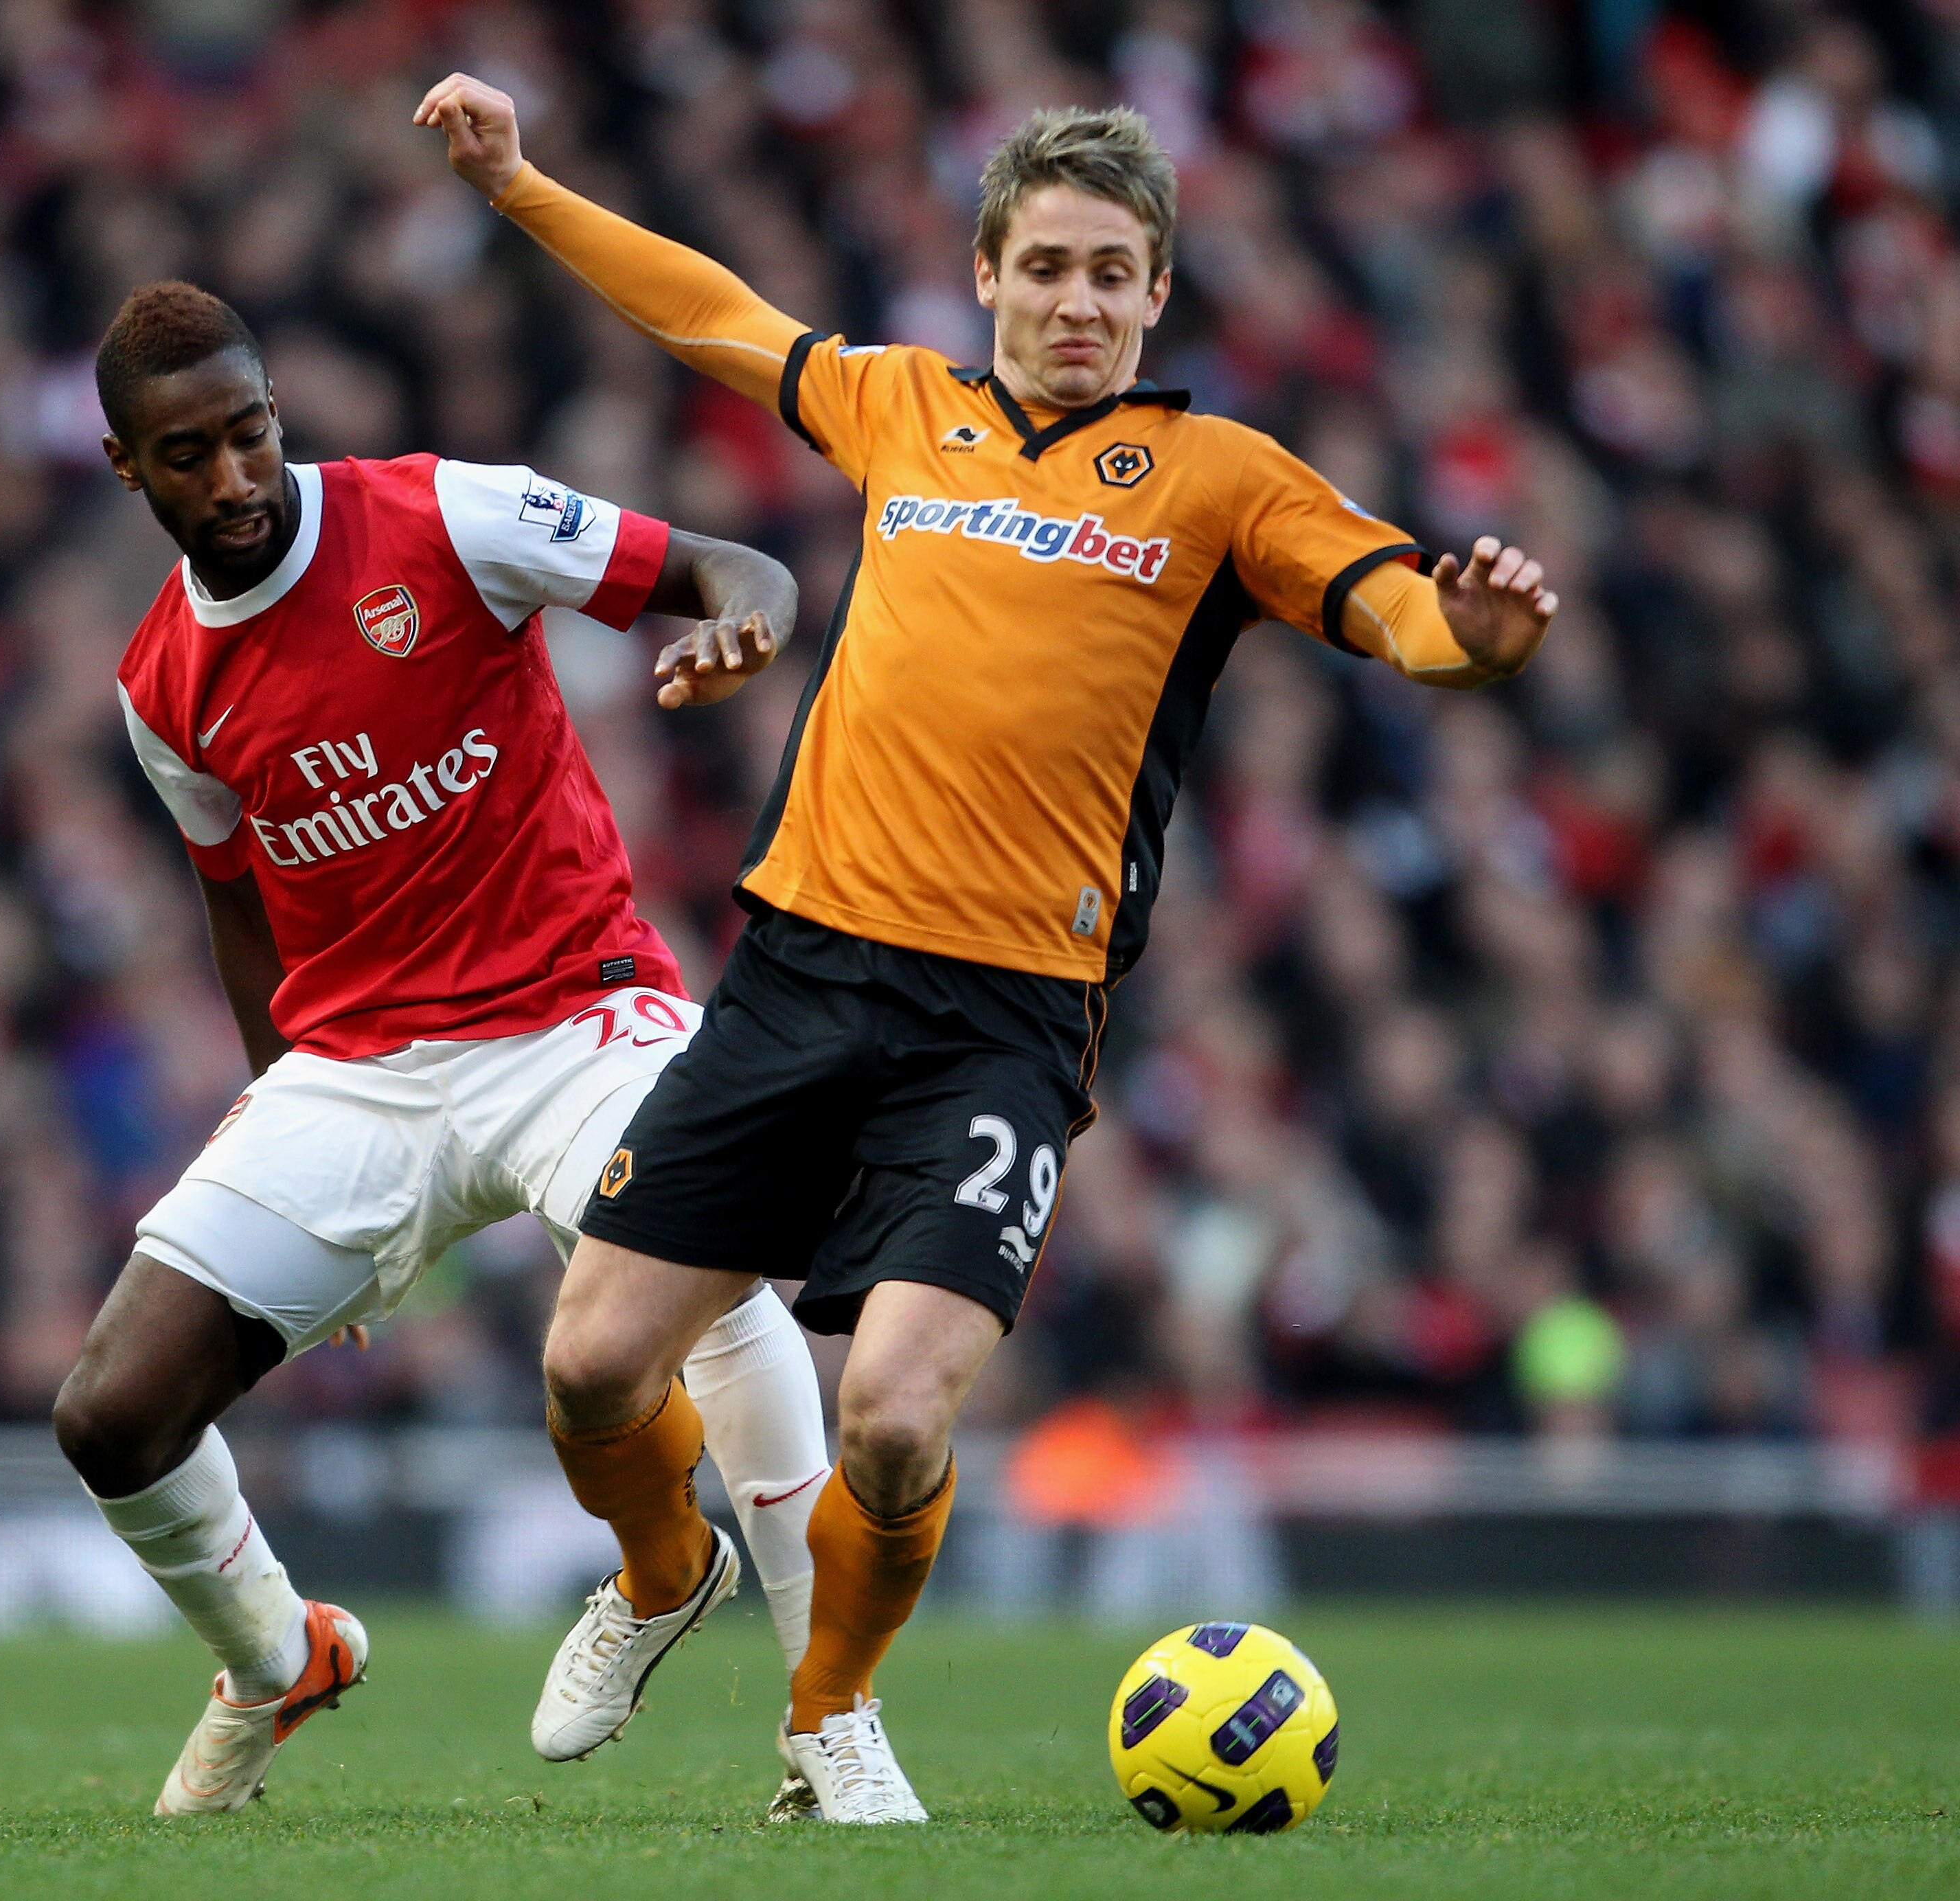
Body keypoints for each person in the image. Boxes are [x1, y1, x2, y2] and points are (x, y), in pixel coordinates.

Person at [414, 77, 1560, 1823]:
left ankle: (829, 1714)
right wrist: (520, 189)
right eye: (1046, 267)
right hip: (799, 973)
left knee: (885, 1417)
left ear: (1159, 291)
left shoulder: (1213, 479)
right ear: (986, 272)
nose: (1078, 300)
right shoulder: (899, 409)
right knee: (585, 1368)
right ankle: (661, 1577)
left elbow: (1391, 599)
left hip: (1003, 1024)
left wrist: (1465, 643)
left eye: (1113, 271)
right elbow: (710, 311)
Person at [51, 281, 835, 1814]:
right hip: (356, 1075)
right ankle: (283, 1660)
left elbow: (732, 562)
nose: (232, 480)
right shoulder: (161, 686)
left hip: (573, 1006)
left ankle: (827, 1723)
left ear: (279, 413)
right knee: (109, 1410)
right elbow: (240, 919)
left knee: (717, 1273)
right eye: (188, 455)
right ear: (123, 467)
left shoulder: (450, 516)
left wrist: (749, 621)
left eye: (249, 434)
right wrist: (273, 1123)